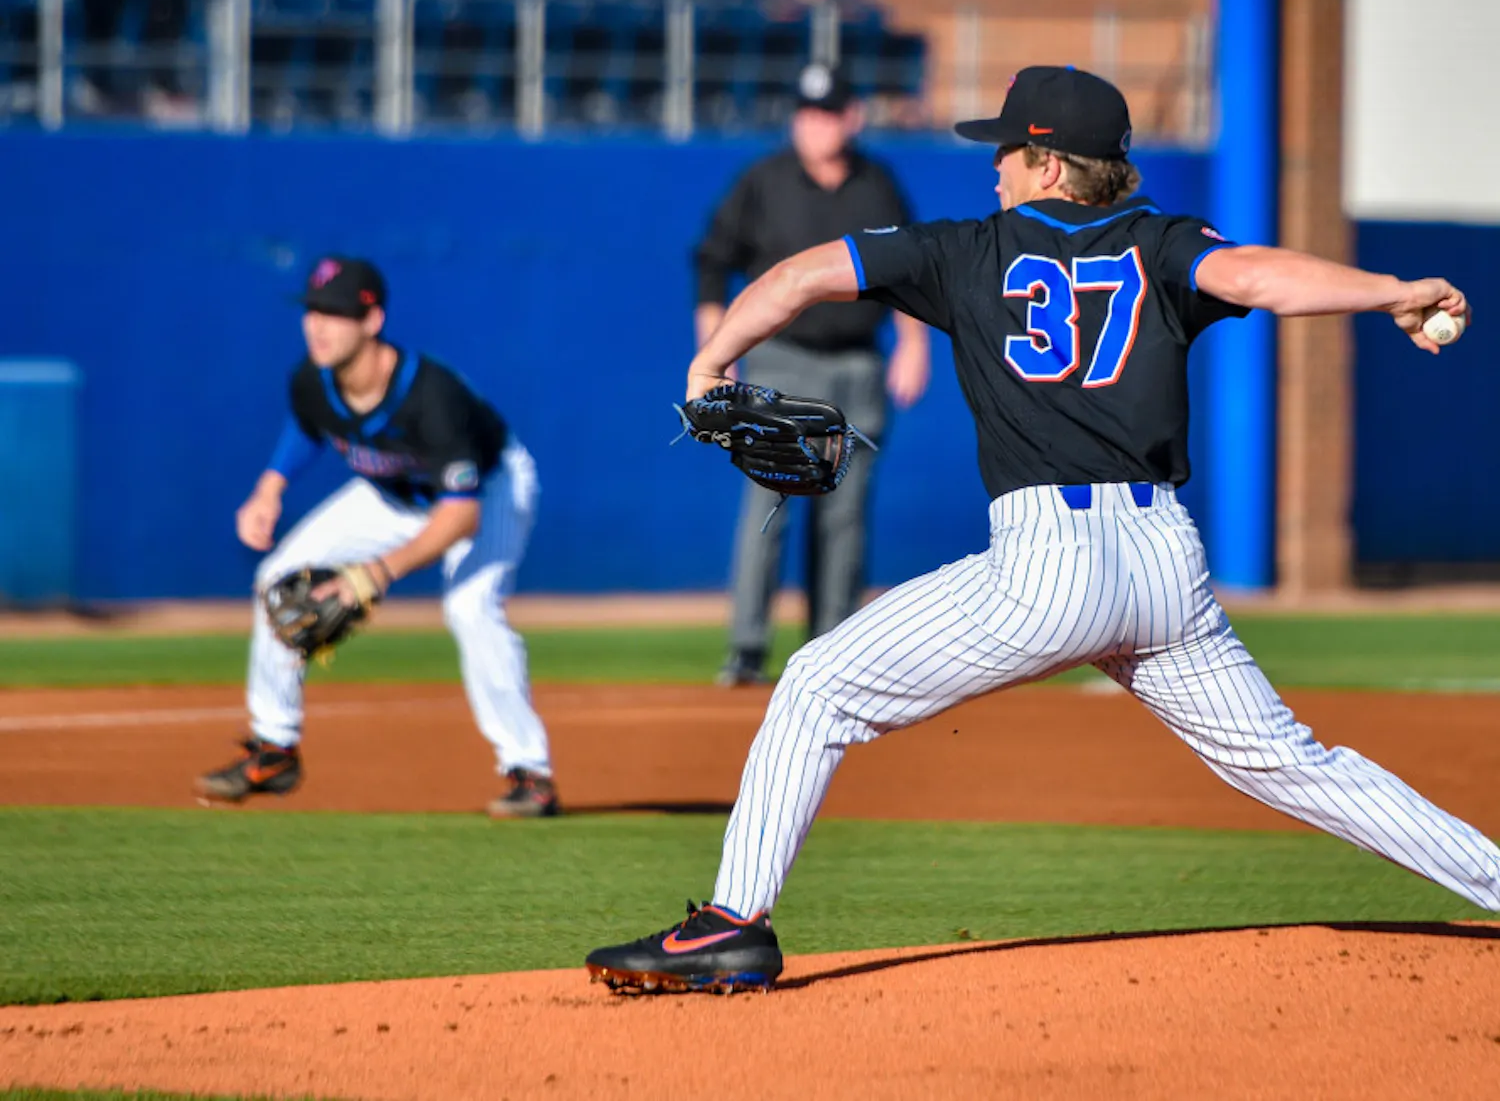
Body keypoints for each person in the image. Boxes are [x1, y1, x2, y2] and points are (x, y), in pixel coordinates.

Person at [584, 66, 1500, 992]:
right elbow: (1262, 275)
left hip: (1048, 567)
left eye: (1009, 151)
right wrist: (1392, 290)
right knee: (1295, 763)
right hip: (1163, 566)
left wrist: (711, 361)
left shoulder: (964, 251)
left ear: (1050, 165)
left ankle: (734, 924)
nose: (996, 168)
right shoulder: (1163, 242)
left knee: (818, 684)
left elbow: (800, 275)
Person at [195, 255, 560, 819]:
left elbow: (460, 517)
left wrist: (374, 573)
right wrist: (269, 488)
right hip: (394, 492)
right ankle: (274, 750)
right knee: (276, 579)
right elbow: (308, 421)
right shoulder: (312, 379)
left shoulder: (431, 396)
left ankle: (529, 773)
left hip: (487, 490)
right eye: (312, 311)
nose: (318, 325)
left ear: (372, 321)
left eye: (335, 313)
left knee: (471, 608)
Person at [696, 62, 932, 687]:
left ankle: (832, 650)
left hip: (857, 361)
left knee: (845, 514)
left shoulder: (877, 185)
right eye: (806, 114)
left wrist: (914, 342)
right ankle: (747, 649)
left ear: (851, 118)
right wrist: (716, 350)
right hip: (781, 362)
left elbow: (909, 271)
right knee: (770, 502)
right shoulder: (765, 182)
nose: (816, 126)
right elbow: (713, 260)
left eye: (828, 113)